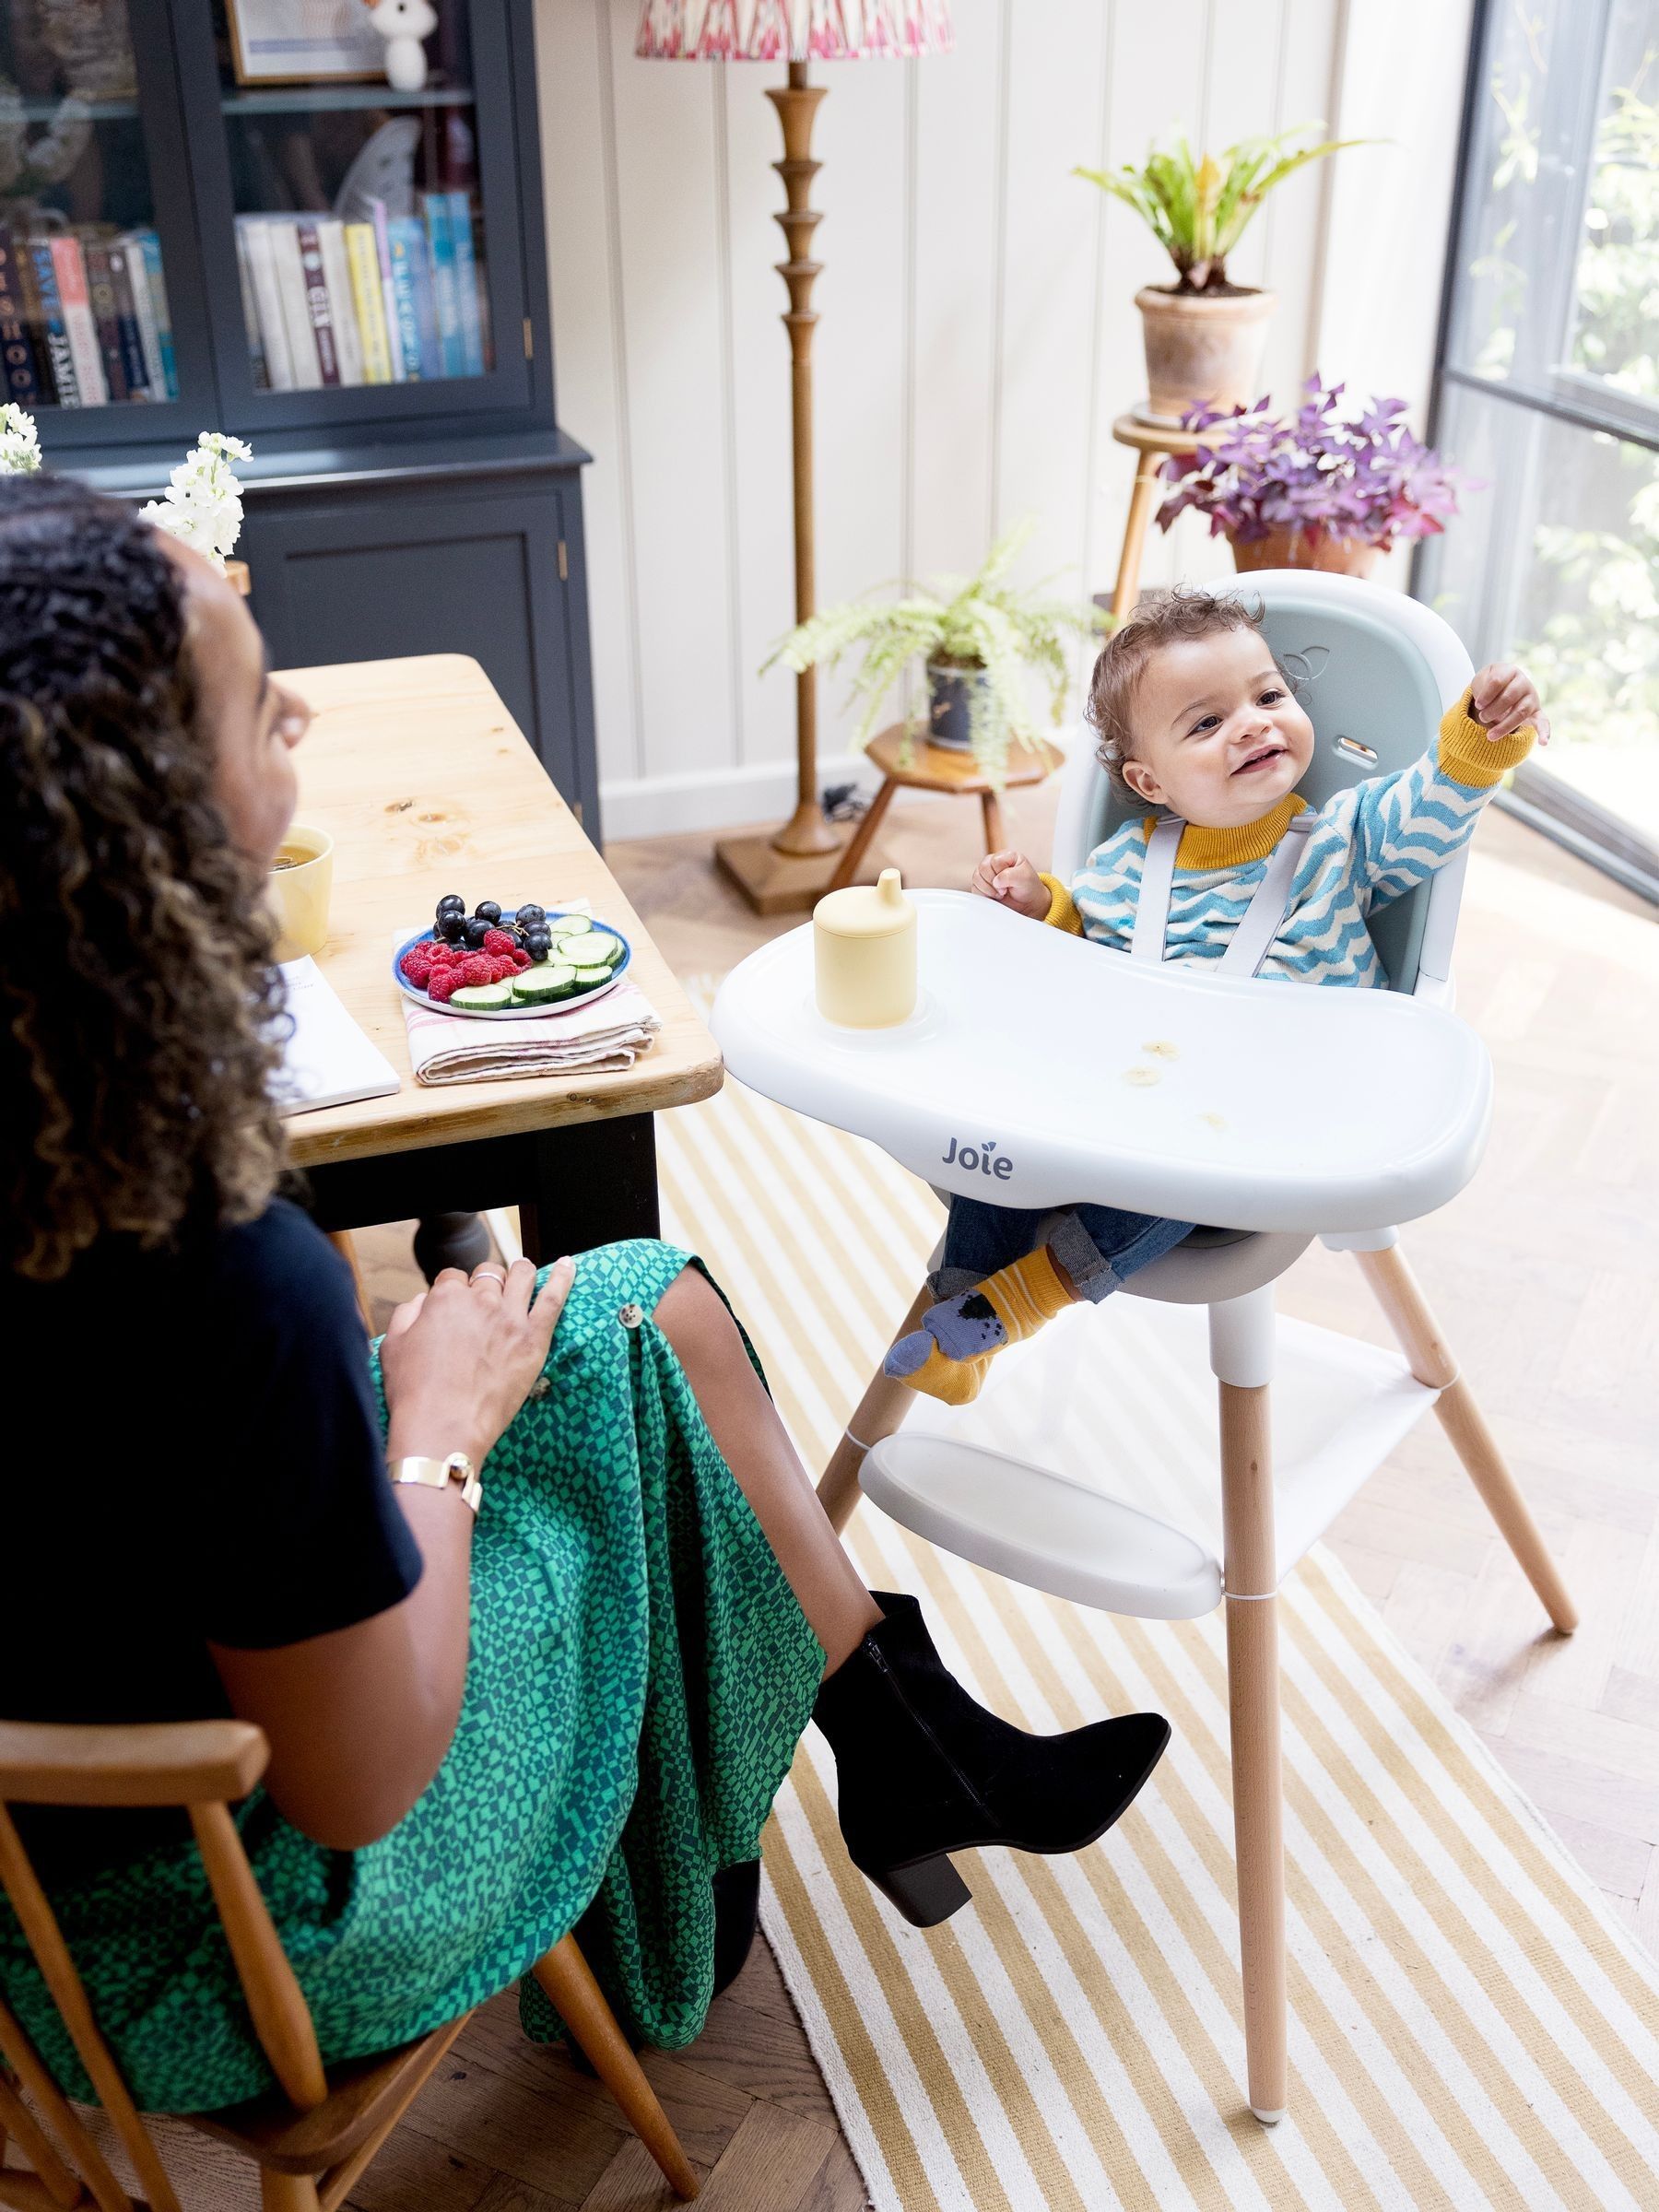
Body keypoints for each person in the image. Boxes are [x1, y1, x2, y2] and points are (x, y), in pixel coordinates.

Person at [0, 473, 1168, 2115]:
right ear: (138, 829)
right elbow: (358, 1785)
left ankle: (906, 1746)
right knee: (637, 1431)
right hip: (212, 1938)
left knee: (643, 1303)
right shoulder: (217, 1275)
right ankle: (778, 1834)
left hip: (52, 1830)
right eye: (262, 711)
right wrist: (437, 1432)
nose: (301, 717)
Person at [888, 586, 1547, 1405]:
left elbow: (1436, 800)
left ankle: (1019, 1304)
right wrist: (1037, 907)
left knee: (1179, 1176)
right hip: (1123, 1103)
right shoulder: (1127, 864)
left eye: (1269, 697)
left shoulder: (1345, 838)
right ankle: (958, 1310)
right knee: (999, 1122)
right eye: (1205, 724)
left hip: (1264, 1130)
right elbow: (1076, 967)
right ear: (1149, 780)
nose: (1252, 725)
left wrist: (1485, 730)